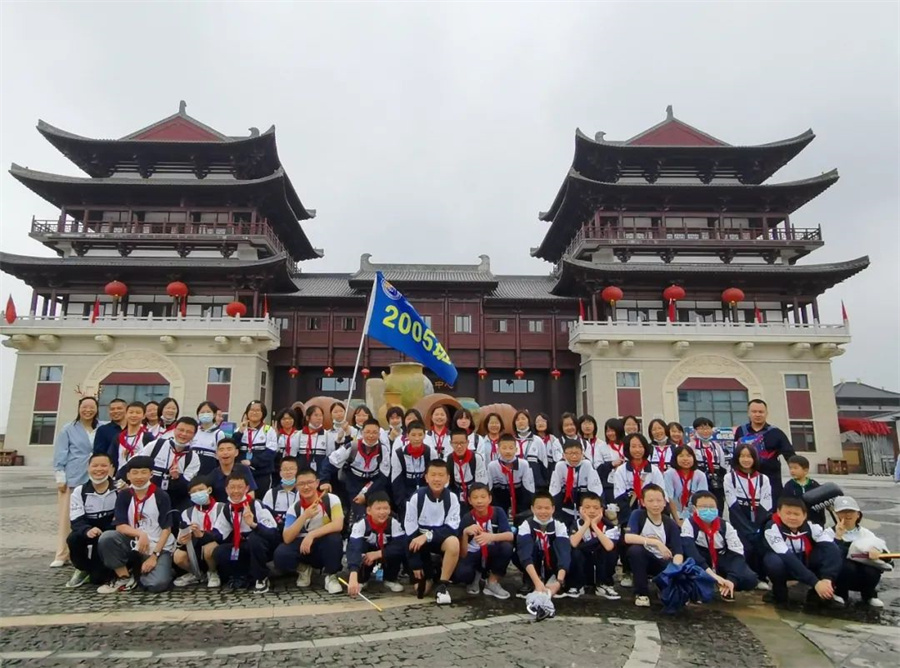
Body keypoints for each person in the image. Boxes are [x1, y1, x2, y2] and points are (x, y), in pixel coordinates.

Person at [96, 456, 175, 593]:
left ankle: (156, 571)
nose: (139, 477)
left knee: (156, 584)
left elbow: (166, 529)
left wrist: (154, 556)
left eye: (144, 472)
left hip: (157, 545)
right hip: (133, 542)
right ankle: (124, 576)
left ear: (151, 474)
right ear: (128, 475)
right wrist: (140, 534)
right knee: (107, 538)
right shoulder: (125, 495)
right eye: (135, 472)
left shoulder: (161, 495)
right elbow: (120, 525)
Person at [274, 467, 345, 594]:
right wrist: (304, 516)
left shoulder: (332, 500)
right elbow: (287, 537)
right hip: (303, 545)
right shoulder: (294, 508)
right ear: (296, 486)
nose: (306, 487)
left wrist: (312, 535)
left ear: (317, 483)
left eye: (309, 483)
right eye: (301, 484)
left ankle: (331, 575)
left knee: (334, 539)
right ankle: (303, 569)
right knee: (281, 554)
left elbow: (338, 525)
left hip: (323, 542)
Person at [762, 496, 843, 605]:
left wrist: (827, 578)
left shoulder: (811, 526)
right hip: (786, 564)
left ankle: (821, 593)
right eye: (788, 513)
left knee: (829, 552)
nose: (792, 517)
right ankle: (779, 593)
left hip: (805, 560)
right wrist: (815, 582)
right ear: (779, 512)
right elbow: (787, 557)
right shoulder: (772, 528)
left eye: (796, 514)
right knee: (773, 561)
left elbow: (831, 548)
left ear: (804, 515)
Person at [681, 490, 759, 600]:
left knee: (750, 578)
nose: (708, 510)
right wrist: (713, 575)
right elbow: (690, 550)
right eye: (703, 507)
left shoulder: (725, 526)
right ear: (694, 509)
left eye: (712, 507)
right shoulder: (689, 524)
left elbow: (738, 554)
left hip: (721, 558)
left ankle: (727, 587)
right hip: (701, 559)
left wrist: (732, 579)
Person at [52, 396, 100, 568]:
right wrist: (60, 476)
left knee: (94, 516)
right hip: (73, 477)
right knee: (67, 518)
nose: (88, 410)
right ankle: (62, 554)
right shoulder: (68, 429)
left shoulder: (101, 427)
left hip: (97, 478)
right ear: (79, 408)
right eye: (84, 407)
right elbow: (60, 453)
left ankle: (93, 555)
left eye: (92, 407)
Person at [212, 470, 279, 593]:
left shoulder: (255, 505)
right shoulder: (227, 508)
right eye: (232, 487)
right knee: (219, 552)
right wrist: (200, 535)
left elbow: (272, 532)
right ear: (226, 489)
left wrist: (253, 524)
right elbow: (219, 533)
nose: (236, 491)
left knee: (254, 540)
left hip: (262, 546)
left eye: (240, 487)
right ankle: (241, 575)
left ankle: (261, 577)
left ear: (247, 488)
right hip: (241, 545)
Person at [405, 460, 461, 605]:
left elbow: (452, 528)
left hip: (439, 541)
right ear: (426, 477)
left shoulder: (452, 498)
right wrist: (415, 563)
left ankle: (443, 585)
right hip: (419, 546)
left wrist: (427, 536)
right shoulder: (417, 498)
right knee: (421, 590)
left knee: (454, 543)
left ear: (448, 478)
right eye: (433, 475)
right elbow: (410, 533)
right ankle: (431, 572)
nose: (437, 479)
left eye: (441, 475)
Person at [319, 418, 391, 525]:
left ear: (379, 434)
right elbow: (330, 461)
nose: (371, 436)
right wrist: (324, 480)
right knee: (358, 512)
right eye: (368, 432)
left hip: (374, 483)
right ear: (362, 432)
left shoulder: (383, 450)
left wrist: (366, 496)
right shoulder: (352, 446)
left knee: (379, 511)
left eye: (374, 432)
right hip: (354, 482)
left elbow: (383, 476)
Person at [623, 484, 683, 607]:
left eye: (659, 500)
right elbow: (628, 537)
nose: (655, 504)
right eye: (650, 501)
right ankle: (641, 593)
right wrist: (656, 543)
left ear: (664, 503)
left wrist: (675, 570)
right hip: (642, 559)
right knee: (635, 550)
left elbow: (678, 552)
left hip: (661, 562)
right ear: (643, 502)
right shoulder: (637, 515)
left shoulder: (670, 523)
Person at [65, 452, 117, 587]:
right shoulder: (79, 491)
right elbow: (76, 520)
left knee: (98, 579)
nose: (99, 469)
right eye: (95, 466)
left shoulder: (120, 489)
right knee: (73, 538)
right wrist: (87, 530)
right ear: (88, 468)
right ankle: (81, 568)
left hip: (109, 534)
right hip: (88, 531)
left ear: (111, 468)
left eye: (104, 465)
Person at [724, 444, 773, 584]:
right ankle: (746, 577)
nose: (746, 459)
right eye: (742, 456)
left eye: (749, 456)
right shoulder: (730, 477)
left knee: (759, 546)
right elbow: (732, 503)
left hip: (759, 516)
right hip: (740, 516)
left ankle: (761, 577)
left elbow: (766, 502)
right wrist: (746, 526)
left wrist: (757, 524)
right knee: (745, 547)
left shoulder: (763, 478)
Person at [455, 483, 513, 599]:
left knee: (507, 547)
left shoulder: (498, 512)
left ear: (490, 498)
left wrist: (490, 537)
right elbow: (462, 554)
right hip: (474, 553)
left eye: (483, 497)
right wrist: (466, 533)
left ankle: (492, 581)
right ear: (470, 500)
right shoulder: (467, 517)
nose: (479, 501)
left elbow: (510, 535)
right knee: (461, 574)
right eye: (475, 498)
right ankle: (476, 575)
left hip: (492, 551)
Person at [346, 491, 407, 596]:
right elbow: (354, 548)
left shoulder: (394, 523)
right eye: (378, 509)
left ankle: (390, 579)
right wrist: (353, 574)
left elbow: (401, 545)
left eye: (385, 508)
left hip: (383, 553)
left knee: (396, 551)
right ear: (369, 510)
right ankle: (361, 580)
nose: (382, 512)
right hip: (367, 554)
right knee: (359, 550)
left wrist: (379, 554)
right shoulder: (361, 524)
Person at [734, 399, 795, 503]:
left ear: (766, 413)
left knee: (772, 510)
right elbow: (735, 454)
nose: (757, 414)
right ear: (748, 413)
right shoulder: (740, 431)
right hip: (745, 478)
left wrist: (797, 472)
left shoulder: (776, 432)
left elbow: (790, 455)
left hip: (771, 479)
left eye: (761, 412)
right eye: (754, 411)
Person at [832, 496, 888, 608]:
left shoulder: (866, 533)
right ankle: (840, 593)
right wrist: (838, 537)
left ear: (858, 514)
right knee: (846, 566)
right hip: (842, 573)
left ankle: (869, 595)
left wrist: (877, 553)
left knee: (871, 570)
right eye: (843, 511)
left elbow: (886, 555)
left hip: (863, 571)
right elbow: (830, 557)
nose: (847, 515)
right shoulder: (828, 532)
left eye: (851, 511)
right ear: (836, 514)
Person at [516, 491, 570, 599]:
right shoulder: (526, 525)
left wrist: (559, 581)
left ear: (553, 509)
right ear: (532, 509)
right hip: (533, 561)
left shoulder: (559, 525)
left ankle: (555, 581)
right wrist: (537, 583)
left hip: (551, 562)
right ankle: (530, 581)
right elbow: (525, 554)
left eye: (547, 508)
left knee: (563, 550)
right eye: (539, 508)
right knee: (521, 551)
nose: (543, 511)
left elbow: (564, 552)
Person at [172, 477, 224, 588]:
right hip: (195, 545)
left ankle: (213, 572)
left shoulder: (221, 508)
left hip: (216, 544)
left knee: (209, 548)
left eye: (200, 490)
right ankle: (197, 574)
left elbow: (222, 533)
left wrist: (203, 534)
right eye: (193, 492)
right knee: (178, 556)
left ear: (209, 490)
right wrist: (182, 538)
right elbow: (182, 535)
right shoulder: (187, 513)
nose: (197, 494)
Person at [138, 417, 201, 508]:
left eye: (189, 432)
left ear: (194, 435)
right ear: (174, 430)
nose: (183, 434)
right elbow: (136, 463)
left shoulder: (193, 458)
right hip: (147, 497)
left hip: (173, 502)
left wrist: (177, 478)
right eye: (181, 430)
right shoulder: (156, 445)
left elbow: (186, 488)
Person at [568, 491, 620, 600]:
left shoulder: (609, 526)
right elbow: (573, 543)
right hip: (584, 565)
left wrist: (595, 526)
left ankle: (604, 585)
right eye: (587, 507)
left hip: (601, 563)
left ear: (601, 510)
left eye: (596, 508)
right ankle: (577, 585)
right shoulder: (576, 524)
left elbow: (609, 546)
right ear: (581, 510)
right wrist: (587, 523)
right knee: (574, 551)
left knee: (609, 549)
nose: (592, 511)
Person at [613, 433, 667, 526]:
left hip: (652, 512)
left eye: (640, 446)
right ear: (627, 449)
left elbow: (661, 493)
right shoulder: (621, 470)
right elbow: (619, 496)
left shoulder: (654, 470)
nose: (637, 450)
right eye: (633, 446)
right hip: (628, 515)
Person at [548, 439, 603, 528]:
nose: (574, 457)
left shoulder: (587, 465)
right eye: (570, 453)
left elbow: (596, 490)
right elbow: (554, 491)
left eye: (577, 453)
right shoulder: (560, 466)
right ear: (564, 455)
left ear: (582, 454)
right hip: (565, 508)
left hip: (585, 509)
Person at [487, 433, 535, 520]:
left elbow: (529, 487)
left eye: (511, 448)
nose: (508, 451)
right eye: (504, 448)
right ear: (498, 450)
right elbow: (489, 488)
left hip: (519, 497)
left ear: (516, 449)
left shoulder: (523, 464)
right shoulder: (492, 466)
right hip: (500, 497)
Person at [391, 420, 437, 511]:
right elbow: (396, 480)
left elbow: (434, 476)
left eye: (420, 435)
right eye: (413, 435)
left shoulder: (431, 452)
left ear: (424, 435)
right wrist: (403, 503)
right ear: (407, 435)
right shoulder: (399, 453)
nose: (417, 438)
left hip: (427, 494)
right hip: (406, 496)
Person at [236, 400, 278, 496]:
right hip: (242, 474)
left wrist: (252, 462)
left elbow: (271, 453)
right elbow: (233, 447)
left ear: (263, 413)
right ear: (247, 412)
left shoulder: (268, 430)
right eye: (252, 410)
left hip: (262, 474)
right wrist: (239, 433)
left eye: (258, 410)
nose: (254, 412)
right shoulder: (240, 429)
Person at [663, 445, 708, 526]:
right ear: (675, 458)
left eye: (689, 456)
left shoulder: (700, 475)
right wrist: (677, 520)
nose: (685, 459)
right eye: (681, 456)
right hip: (674, 515)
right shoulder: (669, 474)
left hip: (696, 515)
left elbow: (703, 499)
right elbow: (669, 498)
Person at [446, 427, 489, 507]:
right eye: (455, 443)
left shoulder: (476, 458)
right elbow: (447, 483)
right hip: (456, 491)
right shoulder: (449, 459)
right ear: (451, 443)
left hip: (474, 492)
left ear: (467, 442)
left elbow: (481, 483)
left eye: (462, 442)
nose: (459, 446)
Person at [691, 417, 728, 512]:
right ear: (695, 430)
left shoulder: (716, 446)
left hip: (716, 485)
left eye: (708, 428)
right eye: (702, 428)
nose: (705, 431)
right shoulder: (692, 446)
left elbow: (723, 466)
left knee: (717, 508)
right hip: (699, 484)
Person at [262, 456, 301, 537]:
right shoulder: (271, 493)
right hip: (275, 533)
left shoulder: (302, 493)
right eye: (285, 469)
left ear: (297, 471)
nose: (289, 472)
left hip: (297, 532)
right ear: (280, 473)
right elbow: (265, 516)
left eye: (292, 469)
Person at [209, 438, 257, 502]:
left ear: (236, 452)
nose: (225, 453)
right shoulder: (213, 474)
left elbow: (251, 494)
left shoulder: (244, 469)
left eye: (229, 449)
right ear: (216, 455)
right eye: (221, 450)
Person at [782, 455, 825, 526]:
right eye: (790, 468)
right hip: (796, 522)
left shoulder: (814, 485)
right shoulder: (789, 485)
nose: (792, 471)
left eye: (795, 468)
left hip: (815, 521)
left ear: (805, 470)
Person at [110, 402, 153, 473]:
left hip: (140, 477)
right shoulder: (118, 437)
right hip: (120, 478)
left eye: (138, 413)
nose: (134, 415)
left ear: (144, 416)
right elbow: (112, 461)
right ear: (126, 414)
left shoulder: (147, 437)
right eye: (131, 412)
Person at [294, 405, 336, 473]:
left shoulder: (327, 435)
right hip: (302, 473)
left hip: (320, 473)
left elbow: (330, 456)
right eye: (316, 415)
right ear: (308, 418)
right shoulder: (298, 435)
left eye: (321, 415)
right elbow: (293, 455)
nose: (319, 418)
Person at [191, 401, 224, 475]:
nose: (205, 414)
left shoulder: (219, 434)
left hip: (209, 474)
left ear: (214, 414)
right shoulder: (194, 431)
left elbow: (221, 457)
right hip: (192, 474)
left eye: (208, 412)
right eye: (202, 412)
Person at [531, 412, 562, 486]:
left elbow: (559, 457)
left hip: (551, 472)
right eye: (538, 421)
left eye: (543, 421)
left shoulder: (554, 439)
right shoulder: (532, 440)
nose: (540, 423)